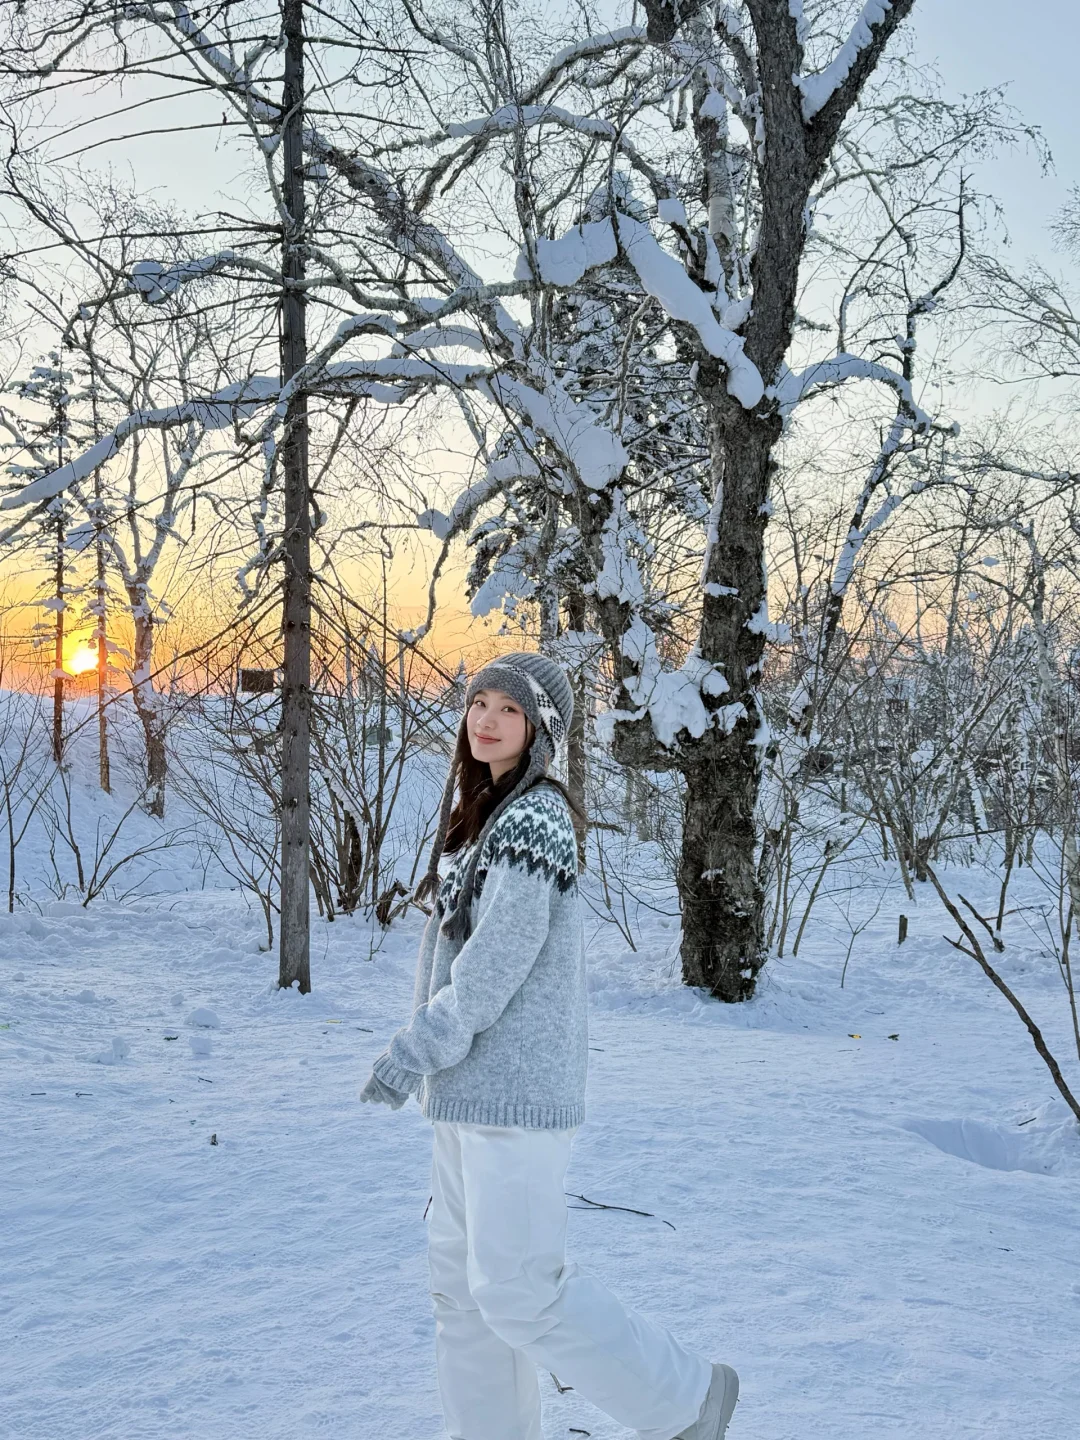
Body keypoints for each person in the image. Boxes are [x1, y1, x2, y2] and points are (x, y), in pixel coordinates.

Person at [360, 651, 739, 1440]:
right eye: (478, 704)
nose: (486, 719)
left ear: (541, 730)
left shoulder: (535, 822)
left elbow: (490, 972)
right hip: (464, 1092)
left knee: (517, 1289)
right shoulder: (482, 818)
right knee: (459, 1292)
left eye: (508, 708)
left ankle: (687, 1399)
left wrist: (412, 1050)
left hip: (517, 1097)